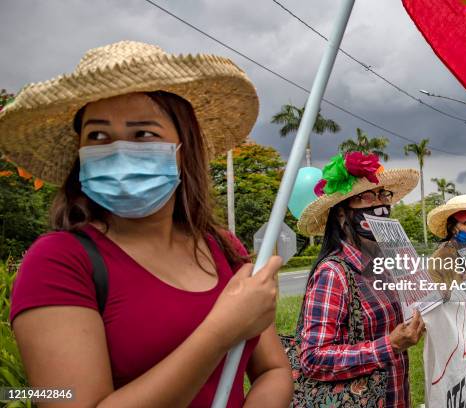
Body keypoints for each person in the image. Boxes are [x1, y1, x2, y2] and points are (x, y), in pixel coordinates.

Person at [2, 41, 292, 407]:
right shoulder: (57, 262)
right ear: (81, 154)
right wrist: (222, 331)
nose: (119, 150)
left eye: (143, 134)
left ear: (182, 150)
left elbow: (272, 371)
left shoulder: (222, 246)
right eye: (98, 136)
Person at [295, 152, 425, 408]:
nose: (380, 205)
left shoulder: (385, 265)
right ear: (342, 216)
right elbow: (313, 358)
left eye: (382, 195)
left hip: (395, 396)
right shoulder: (333, 274)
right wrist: (388, 345)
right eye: (367, 196)